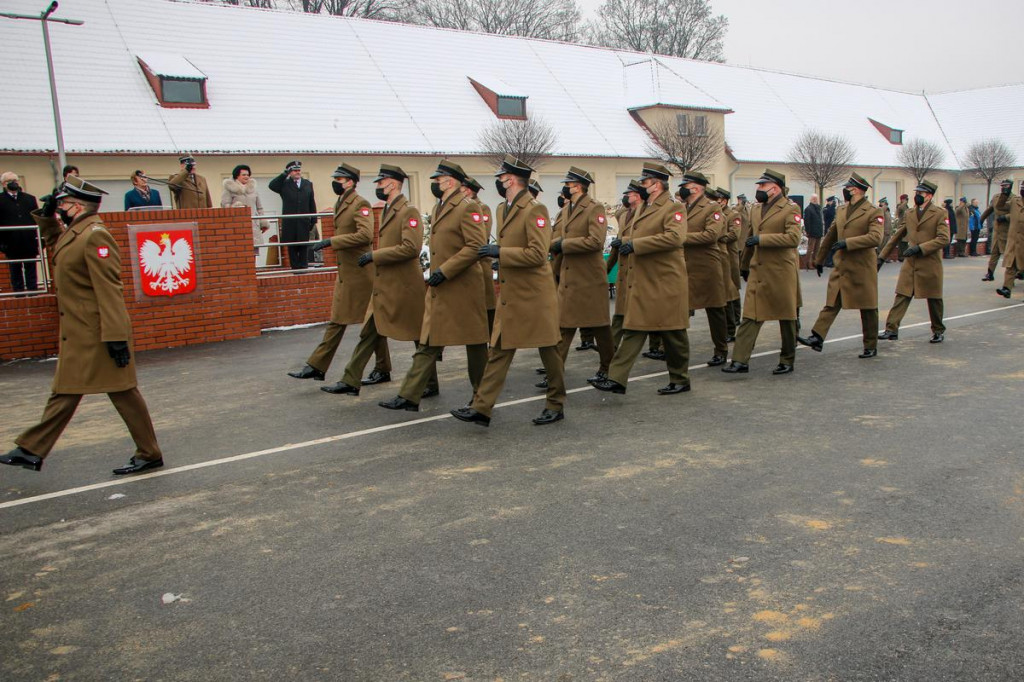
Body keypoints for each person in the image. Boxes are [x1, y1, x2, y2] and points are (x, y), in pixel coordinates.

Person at [0, 176, 163, 475]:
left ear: (77, 207)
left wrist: (115, 337)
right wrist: (47, 216)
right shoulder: (75, 232)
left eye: (62, 203)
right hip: (80, 331)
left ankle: (149, 452)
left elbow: (109, 288)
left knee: (122, 392)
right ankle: (31, 449)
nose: (59, 207)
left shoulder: (95, 236)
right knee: (67, 390)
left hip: (98, 332)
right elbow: (55, 243)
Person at [450, 155, 565, 427]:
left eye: (501, 179)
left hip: (535, 294)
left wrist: (501, 252)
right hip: (512, 294)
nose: (499, 183)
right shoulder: (503, 209)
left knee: (549, 350)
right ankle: (481, 407)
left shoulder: (534, 210)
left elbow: (538, 254)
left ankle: (556, 403)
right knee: (500, 349)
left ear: (511, 180)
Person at [379, 160, 489, 411]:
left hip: (463, 287)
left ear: (450, 182)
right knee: (428, 340)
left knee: (475, 345)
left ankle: (481, 398)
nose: (436, 185)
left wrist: (445, 270)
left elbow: (475, 246)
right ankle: (409, 395)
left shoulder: (467, 207)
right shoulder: (440, 207)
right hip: (443, 287)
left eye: (439, 181)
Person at [321, 164, 429, 396]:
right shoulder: (390, 208)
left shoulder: (408, 211)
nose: (378, 187)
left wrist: (374, 256)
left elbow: (411, 248)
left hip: (404, 285)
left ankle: (429, 383)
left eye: (381, 183)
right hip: (385, 284)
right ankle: (351, 380)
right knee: (369, 331)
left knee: (418, 338)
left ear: (393, 184)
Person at [592, 163, 691, 395]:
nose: (641, 186)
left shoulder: (673, 207)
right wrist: (626, 241)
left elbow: (675, 237)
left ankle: (680, 378)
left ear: (656, 185)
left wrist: (636, 245)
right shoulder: (642, 208)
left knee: (674, 334)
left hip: (666, 280)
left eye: (645, 182)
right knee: (634, 328)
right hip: (645, 279)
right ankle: (616, 379)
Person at [288, 163, 391, 384]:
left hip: (360, 275)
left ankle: (378, 368)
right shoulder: (341, 202)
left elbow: (365, 235)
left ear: (351, 182)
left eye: (341, 179)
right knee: (347, 321)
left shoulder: (360, 204)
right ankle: (318, 366)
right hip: (347, 273)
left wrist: (331, 241)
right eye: (336, 179)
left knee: (368, 324)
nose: (336, 182)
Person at [722, 168, 801, 375]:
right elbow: (749, 237)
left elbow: (793, 239)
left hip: (781, 270)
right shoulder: (756, 209)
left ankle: (787, 359)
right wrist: (745, 265)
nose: (758, 188)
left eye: (762, 185)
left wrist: (763, 240)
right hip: (759, 269)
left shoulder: (791, 209)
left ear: (775, 188)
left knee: (787, 317)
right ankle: (740, 360)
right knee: (751, 315)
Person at [797, 173, 884, 359]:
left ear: (858, 190)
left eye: (850, 188)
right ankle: (817, 337)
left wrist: (849, 243)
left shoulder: (873, 211)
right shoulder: (842, 210)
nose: (846, 191)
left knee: (868, 308)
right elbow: (830, 235)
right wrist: (819, 259)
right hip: (843, 266)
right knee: (832, 302)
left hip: (862, 267)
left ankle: (870, 345)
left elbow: (876, 237)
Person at [547, 167, 614, 387]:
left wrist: (564, 244)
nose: (565, 188)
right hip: (569, 278)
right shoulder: (568, 210)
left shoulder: (594, 209)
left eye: (568, 184)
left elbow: (596, 241)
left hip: (589, 279)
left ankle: (608, 368)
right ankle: (555, 375)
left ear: (577, 186)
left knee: (601, 328)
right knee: (564, 327)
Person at [878, 179, 950, 343]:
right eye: (916, 193)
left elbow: (944, 239)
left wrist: (921, 248)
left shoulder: (939, 213)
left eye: (921, 193)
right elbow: (897, 236)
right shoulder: (910, 213)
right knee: (902, 295)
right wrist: (882, 257)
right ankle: (891, 329)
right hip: (911, 263)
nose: (917, 196)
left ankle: (938, 330)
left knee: (934, 299)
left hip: (930, 263)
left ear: (929, 196)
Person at [677, 171, 729, 366]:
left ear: (697, 188)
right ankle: (673, 349)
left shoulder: (712, 207)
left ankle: (721, 349)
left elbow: (711, 235)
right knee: (679, 308)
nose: (682, 188)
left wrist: (680, 239)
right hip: (685, 265)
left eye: (686, 185)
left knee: (715, 309)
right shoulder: (683, 207)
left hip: (707, 265)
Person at [607, 179, 646, 348]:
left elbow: (645, 238)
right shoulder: (624, 215)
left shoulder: (645, 214)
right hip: (624, 270)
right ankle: (610, 349)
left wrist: (624, 240)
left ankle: (658, 346)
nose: (625, 196)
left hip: (638, 270)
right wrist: (606, 268)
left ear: (637, 196)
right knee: (619, 314)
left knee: (643, 315)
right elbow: (617, 244)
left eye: (629, 194)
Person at [462, 175, 496, 333]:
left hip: (481, 262)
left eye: (461, 189)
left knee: (487, 304)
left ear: (468, 190)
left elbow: (483, 235)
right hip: (468, 262)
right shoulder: (462, 207)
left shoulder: (482, 208)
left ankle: (492, 338)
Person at [268, 161, 318, 270]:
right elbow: (272, 186)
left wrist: (313, 219)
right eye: (294, 170)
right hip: (290, 222)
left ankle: (304, 267)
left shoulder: (307, 184)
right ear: (290, 172)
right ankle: (295, 269)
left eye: (299, 170)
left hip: (304, 221)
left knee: (304, 245)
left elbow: (311, 201)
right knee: (292, 246)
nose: (297, 172)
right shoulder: (284, 184)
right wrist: (284, 174)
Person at [0, 171, 40, 292]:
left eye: (15, 180)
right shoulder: (0, 200)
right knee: (15, 273)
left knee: (31, 271)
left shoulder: (30, 199)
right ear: (3, 184)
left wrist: (39, 240)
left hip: (29, 241)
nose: (13, 183)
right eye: (9, 181)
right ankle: (19, 295)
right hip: (11, 243)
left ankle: (33, 295)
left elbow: (37, 219)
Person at [712, 187, 741, 340]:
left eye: (719, 200)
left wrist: (717, 237)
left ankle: (735, 321)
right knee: (727, 292)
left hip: (729, 255)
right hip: (718, 255)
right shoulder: (716, 213)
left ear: (724, 201)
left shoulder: (733, 214)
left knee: (732, 290)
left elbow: (734, 234)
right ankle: (730, 324)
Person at [220, 164, 269, 244]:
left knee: (254, 252)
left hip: (253, 224)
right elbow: (225, 206)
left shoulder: (253, 190)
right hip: (237, 225)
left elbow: (259, 208)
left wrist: (263, 222)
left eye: (248, 175)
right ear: (237, 176)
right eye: (243, 175)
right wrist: (236, 207)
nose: (246, 177)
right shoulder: (228, 189)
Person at [995, 180, 1024, 299]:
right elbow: (1000, 206)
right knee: (1010, 265)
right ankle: (1007, 288)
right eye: (1022, 187)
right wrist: (1004, 194)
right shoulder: (1014, 201)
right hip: (1013, 241)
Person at [980, 180, 1012, 280]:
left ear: (1010, 186)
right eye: (1002, 185)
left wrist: (1005, 217)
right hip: (997, 231)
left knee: (1009, 255)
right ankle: (990, 273)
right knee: (994, 253)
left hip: (1009, 231)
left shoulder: (1015, 199)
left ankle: (1011, 276)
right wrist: (981, 219)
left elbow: (1018, 214)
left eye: (1006, 185)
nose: (1003, 187)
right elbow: (990, 209)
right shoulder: (996, 197)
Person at [802, 194, 824, 270]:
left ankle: (815, 262)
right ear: (811, 199)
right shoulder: (808, 209)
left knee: (817, 249)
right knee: (810, 249)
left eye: (816, 198)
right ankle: (808, 263)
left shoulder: (818, 208)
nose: (815, 200)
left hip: (819, 231)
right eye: (814, 198)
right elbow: (806, 221)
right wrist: (808, 231)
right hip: (812, 232)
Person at [895, 194, 910, 261]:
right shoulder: (900, 206)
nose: (906, 200)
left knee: (905, 242)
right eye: (905, 199)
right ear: (902, 199)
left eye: (907, 199)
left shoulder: (906, 206)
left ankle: (904, 255)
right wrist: (903, 203)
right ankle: (901, 256)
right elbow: (899, 211)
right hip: (901, 225)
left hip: (906, 225)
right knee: (901, 242)